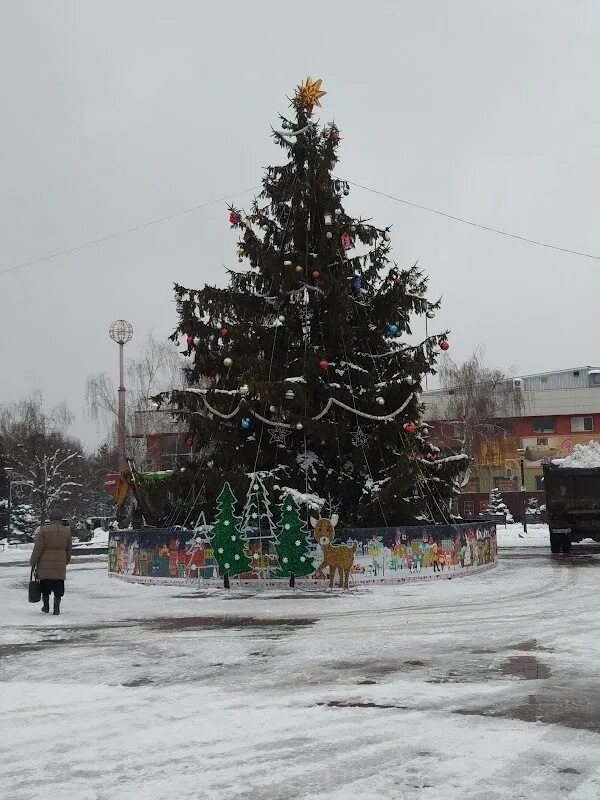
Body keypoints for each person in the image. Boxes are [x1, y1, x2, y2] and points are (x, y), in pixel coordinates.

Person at [29, 511, 72, 615]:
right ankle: (56, 607)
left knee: (45, 585)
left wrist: (33, 560)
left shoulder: (44, 530)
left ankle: (46, 606)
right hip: (60, 562)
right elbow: (69, 548)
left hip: (45, 563)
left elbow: (38, 548)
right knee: (58, 584)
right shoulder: (66, 531)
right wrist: (67, 559)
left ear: (50, 518)